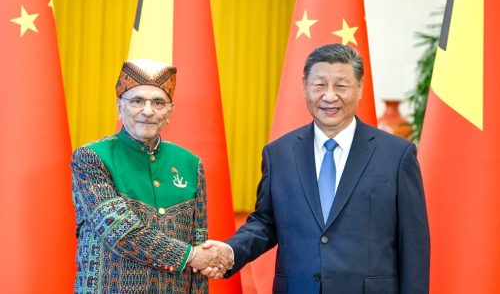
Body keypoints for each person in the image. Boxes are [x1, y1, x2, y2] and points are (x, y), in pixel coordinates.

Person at [205, 43, 430, 293]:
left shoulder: (397, 155)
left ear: (360, 88)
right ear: (304, 87)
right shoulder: (279, 153)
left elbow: (413, 244)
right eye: (320, 85)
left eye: (341, 86)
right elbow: (266, 223)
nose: (330, 96)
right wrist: (230, 250)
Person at [71, 59, 232, 293]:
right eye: (137, 101)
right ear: (119, 106)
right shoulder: (91, 158)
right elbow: (120, 231)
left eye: (158, 102)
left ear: (170, 110)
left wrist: (202, 259)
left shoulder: (190, 163)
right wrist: (192, 255)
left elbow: (199, 241)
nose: (148, 111)